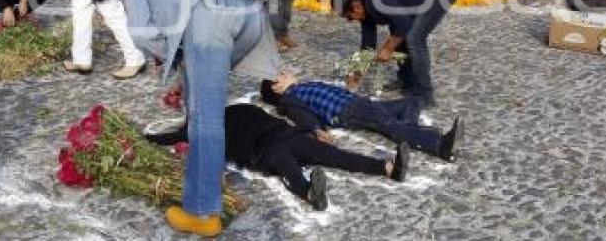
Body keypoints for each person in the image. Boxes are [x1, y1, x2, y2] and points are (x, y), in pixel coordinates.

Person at [125, 0, 280, 236]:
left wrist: (166, 59)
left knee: (205, 117)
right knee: (204, 105)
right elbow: (187, 50)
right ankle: (213, 171)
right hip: (250, 13)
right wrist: (181, 72)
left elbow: (141, 36)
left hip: (211, 16)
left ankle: (202, 213)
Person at [146, 103, 409, 219]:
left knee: (334, 156)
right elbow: (172, 137)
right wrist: (145, 139)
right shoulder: (201, 129)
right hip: (264, 149)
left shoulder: (226, 112)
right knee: (288, 165)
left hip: (285, 135)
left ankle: (388, 168)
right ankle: (308, 192)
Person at [331, 0, 458, 107]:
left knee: (414, 39)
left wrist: (388, 48)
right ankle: (407, 82)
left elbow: (404, 25)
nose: (350, 20)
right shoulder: (365, 7)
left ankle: (425, 95)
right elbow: (368, 46)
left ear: (355, 5)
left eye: (348, 16)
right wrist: (356, 75)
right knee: (399, 35)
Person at [259, 74, 464, 160]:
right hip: (347, 111)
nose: (285, 74)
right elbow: (300, 114)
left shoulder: (299, 87)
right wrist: (316, 130)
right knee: (390, 126)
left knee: (410, 103)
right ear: (277, 88)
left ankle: (411, 130)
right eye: (280, 76)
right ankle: (440, 146)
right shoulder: (289, 98)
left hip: (357, 103)